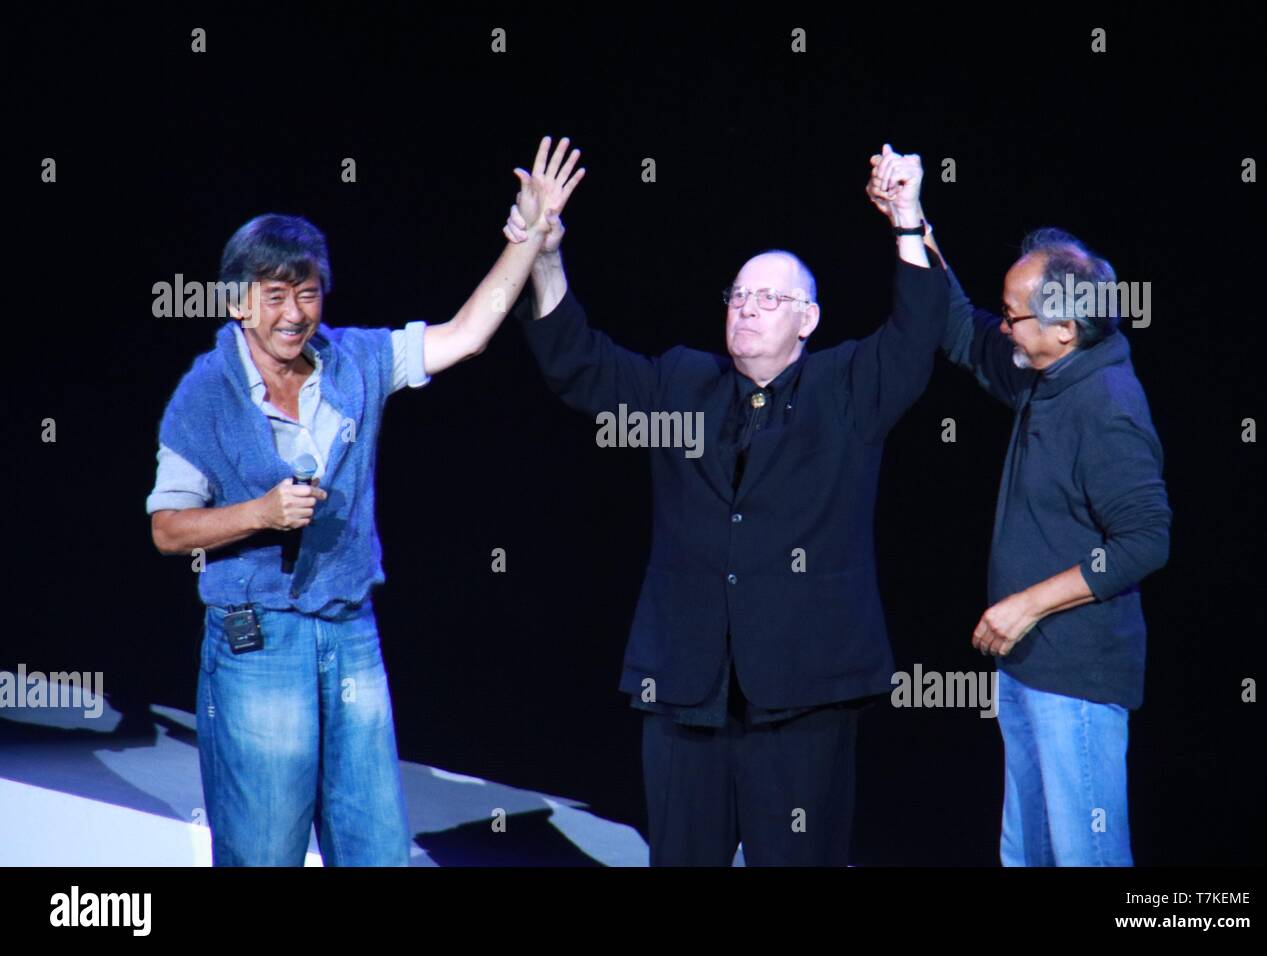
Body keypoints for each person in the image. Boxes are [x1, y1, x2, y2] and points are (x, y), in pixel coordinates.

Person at [502, 146, 948, 865]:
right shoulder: (682, 382)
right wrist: (546, 256)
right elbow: (580, 366)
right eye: (738, 296)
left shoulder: (849, 389)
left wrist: (905, 217)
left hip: (804, 695)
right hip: (687, 689)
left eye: (768, 299)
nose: (746, 309)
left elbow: (918, 330)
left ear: (808, 319)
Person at [147, 137, 584, 866]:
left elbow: (468, 335)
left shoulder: (356, 361)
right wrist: (259, 513)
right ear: (238, 302)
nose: (295, 313)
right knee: (263, 850)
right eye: (275, 296)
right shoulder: (205, 393)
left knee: (375, 847)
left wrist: (533, 234)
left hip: (350, 633)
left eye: (308, 292)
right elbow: (167, 529)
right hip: (259, 642)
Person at [867, 156, 1171, 865]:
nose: (1003, 327)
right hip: (1029, 671)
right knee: (1028, 854)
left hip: (1078, 683)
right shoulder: (1049, 370)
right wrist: (912, 223)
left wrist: (1028, 603)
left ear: (1064, 326)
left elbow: (1146, 541)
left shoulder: (1108, 408)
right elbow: (962, 330)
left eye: (1015, 316)